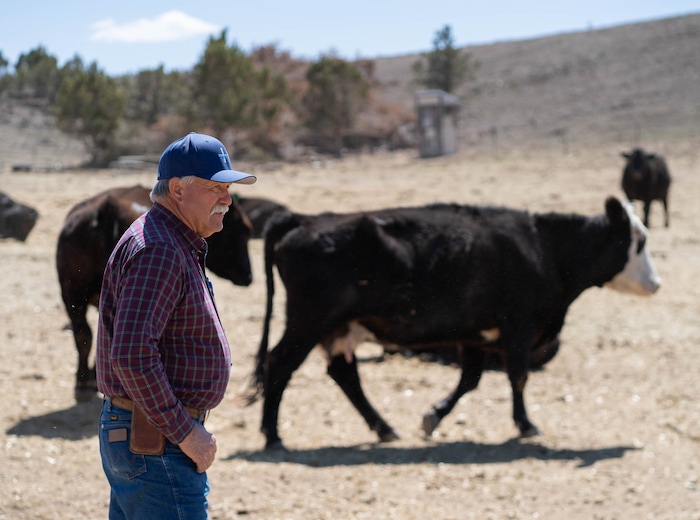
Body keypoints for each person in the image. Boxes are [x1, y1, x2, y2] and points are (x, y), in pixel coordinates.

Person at [96, 132, 256, 519]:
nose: (227, 200)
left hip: (146, 435)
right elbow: (132, 355)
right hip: (158, 441)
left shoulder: (168, 239)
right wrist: (185, 432)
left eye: (228, 189)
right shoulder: (162, 249)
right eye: (215, 188)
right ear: (177, 190)